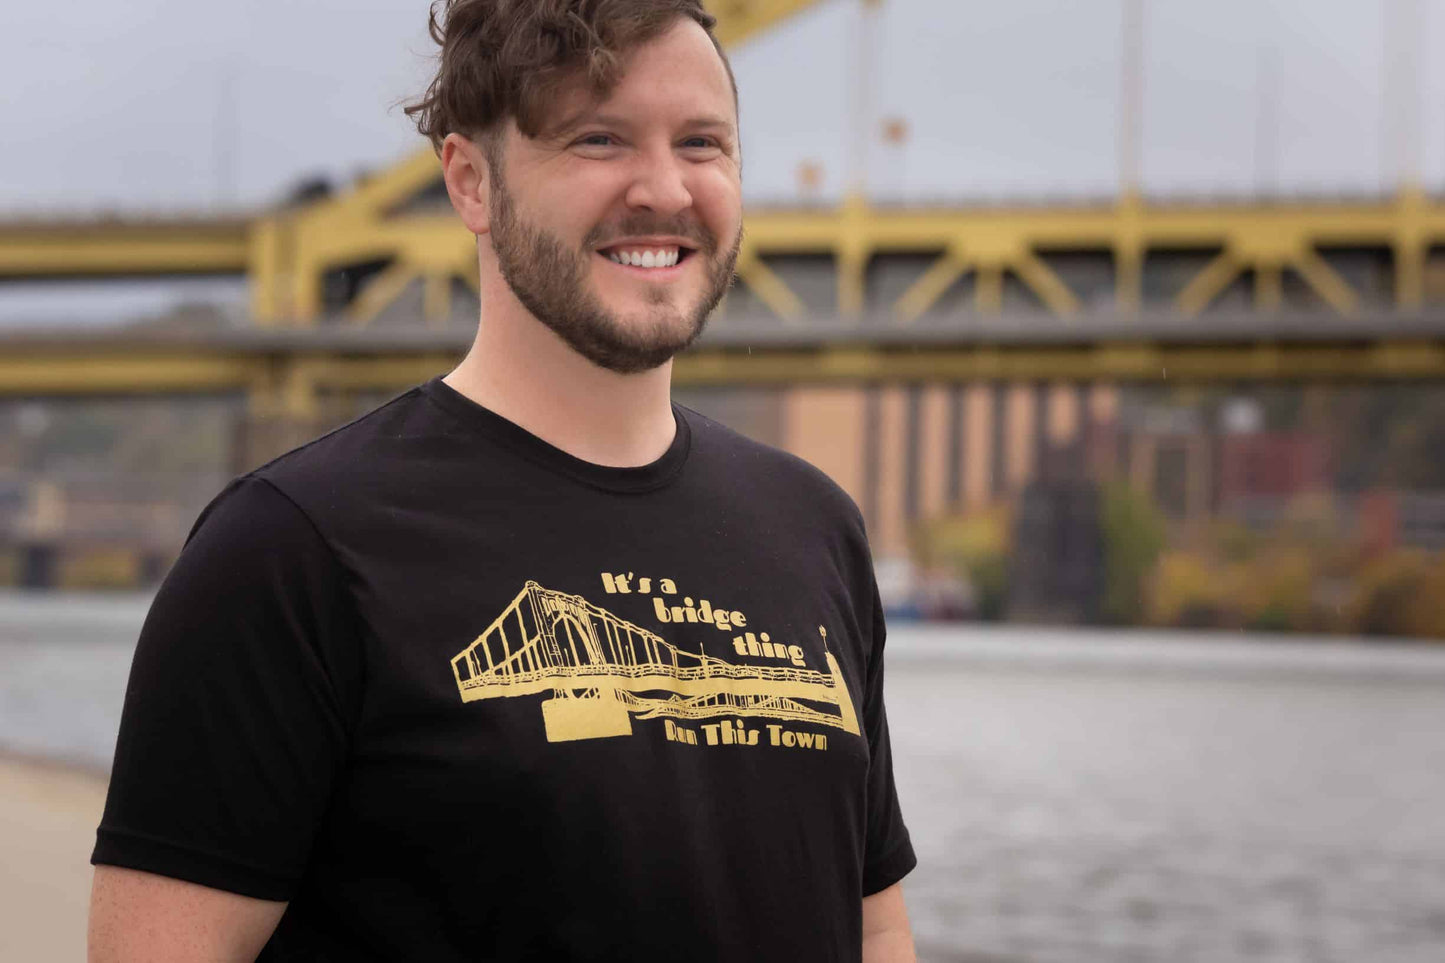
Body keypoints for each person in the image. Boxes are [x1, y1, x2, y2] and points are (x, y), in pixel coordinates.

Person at [87, 1, 917, 959]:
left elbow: (874, 920)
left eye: (702, 143)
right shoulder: (290, 549)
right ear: (470, 182)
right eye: (597, 139)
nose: (664, 188)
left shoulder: (814, 528)